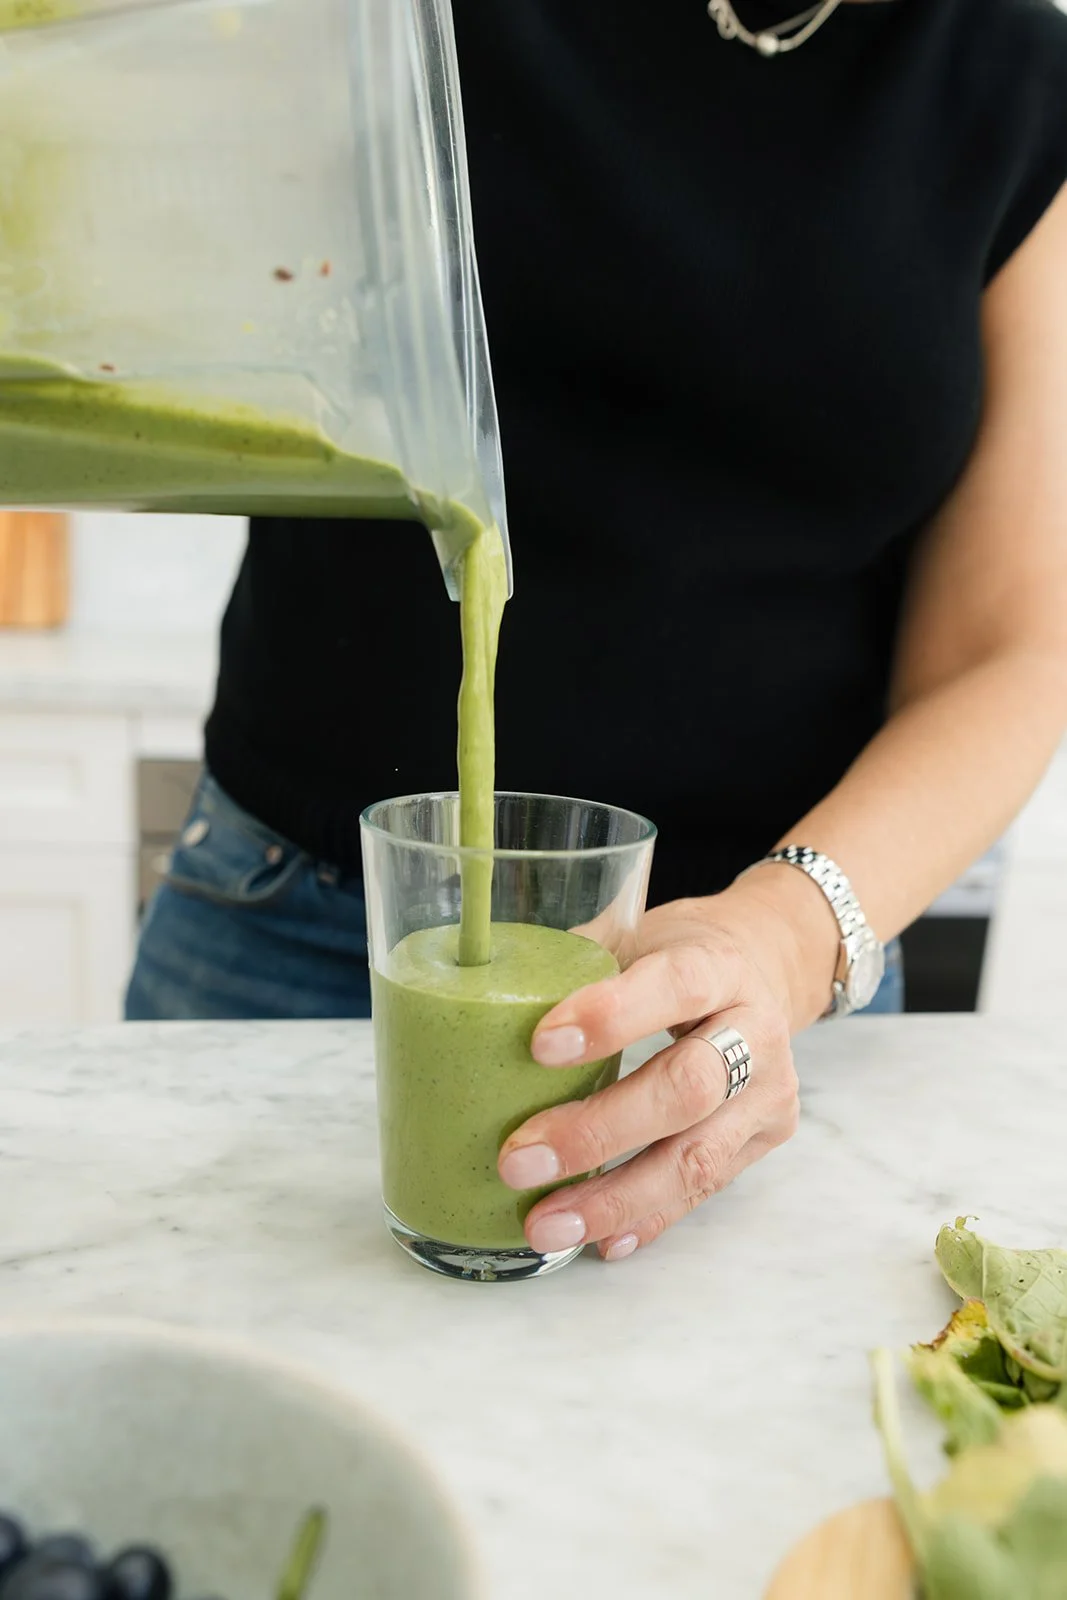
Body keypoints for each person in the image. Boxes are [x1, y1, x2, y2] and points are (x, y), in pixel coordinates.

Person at [127, 0, 1067, 1262]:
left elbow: (1012, 642)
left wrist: (786, 941)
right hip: (302, 929)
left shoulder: (1008, 77)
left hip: (754, 1011)